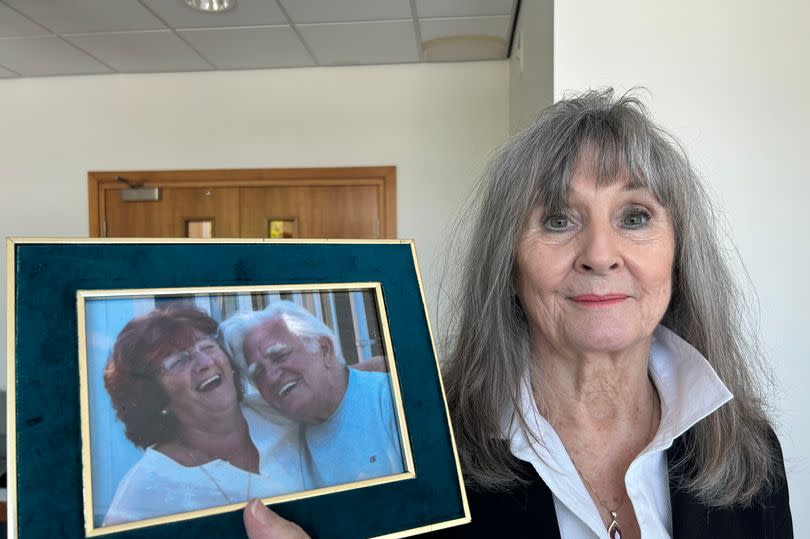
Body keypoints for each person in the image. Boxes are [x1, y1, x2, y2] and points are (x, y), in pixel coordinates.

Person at [241, 89, 793, 538]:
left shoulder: (749, 448)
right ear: (507, 262)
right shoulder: (418, 455)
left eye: (634, 216)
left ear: (679, 253)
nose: (600, 255)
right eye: (557, 220)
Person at [101, 305, 305, 526]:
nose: (206, 363)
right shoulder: (143, 494)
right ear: (155, 397)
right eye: (179, 361)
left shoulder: (279, 409)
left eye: (207, 347)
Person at [220, 300, 404, 488]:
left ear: (324, 349)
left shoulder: (392, 400)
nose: (271, 377)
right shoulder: (279, 429)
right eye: (258, 373)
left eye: (280, 356)